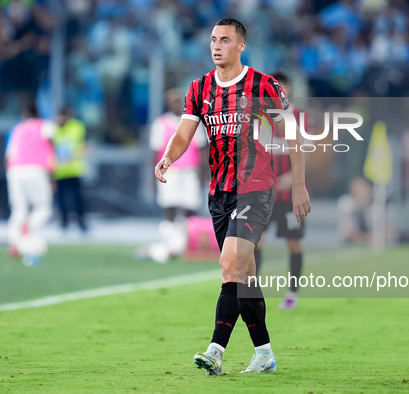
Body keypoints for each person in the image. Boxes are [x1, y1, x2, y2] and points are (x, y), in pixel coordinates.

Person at [154, 19, 311, 375]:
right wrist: (168, 156)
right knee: (245, 276)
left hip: (256, 188)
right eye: (213, 40)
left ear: (241, 45)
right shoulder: (199, 88)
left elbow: (293, 134)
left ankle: (215, 351)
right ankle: (265, 353)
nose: (216, 46)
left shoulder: (264, 85)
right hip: (219, 193)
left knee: (229, 265)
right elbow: (183, 133)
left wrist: (299, 183)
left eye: (224, 40)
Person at [254, 71, 305, 310]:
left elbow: (308, 152)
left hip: (289, 196)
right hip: (263, 193)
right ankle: (251, 293)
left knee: (293, 243)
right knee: (256, 242)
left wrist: (294, 177)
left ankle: (292, 293)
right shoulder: (259, 116)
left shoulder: (298, 117)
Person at [141, 89, 207, 263]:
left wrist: (203, 176)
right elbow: (154, 153)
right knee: (169, 209)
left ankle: (186, 245)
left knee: (190, 209)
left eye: (179, 101)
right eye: (174, 101)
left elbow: (202, 151)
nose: (177, 105)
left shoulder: (194, 123)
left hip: (190, 172)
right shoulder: (160, 124)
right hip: (170, 172)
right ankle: (170, 243)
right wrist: (153, 177)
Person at [6, 101, 56, 266]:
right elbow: (52, 147)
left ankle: (15, 242)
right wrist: (52, 177)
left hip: (14, 170)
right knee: (44, 208)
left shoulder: (17, 129)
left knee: (19, 208)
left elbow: (8, 155)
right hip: (36, 169)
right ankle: (27, 229)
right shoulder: (45, 126)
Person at [52, 106, 88, 234]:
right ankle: (64, 223)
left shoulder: (77, 127)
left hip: (74, 169)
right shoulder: (53, 128)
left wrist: (79, 155)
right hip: (59, 170)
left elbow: (84, 144)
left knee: (78, 198)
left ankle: (82, 223)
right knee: (61, 199)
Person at [337, 177, 374, 245]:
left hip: (370, 236)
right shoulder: (345, 201)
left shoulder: (374, 205)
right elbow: (348, 231)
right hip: (352, 237)